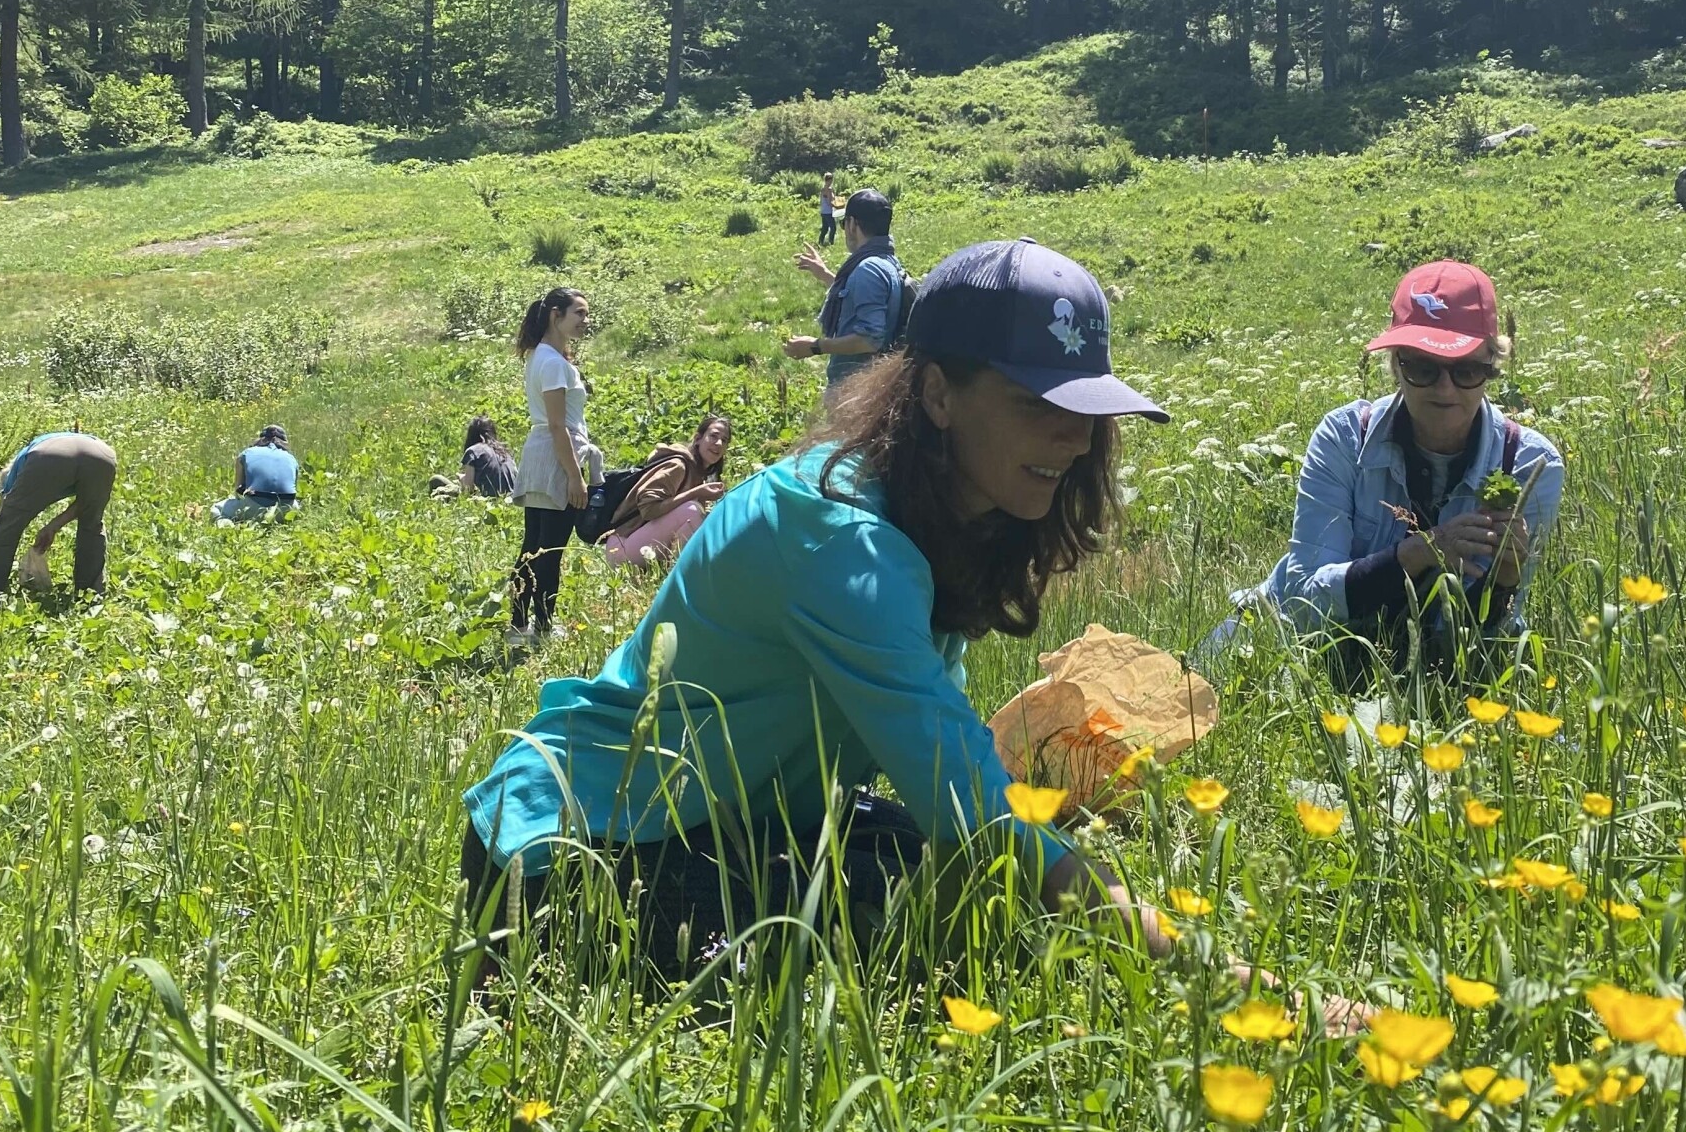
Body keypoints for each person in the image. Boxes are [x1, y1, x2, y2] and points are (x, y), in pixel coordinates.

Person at [460, 239, 1180, 988]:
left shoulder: (924, 514)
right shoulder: (841, 539)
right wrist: (1202, 965)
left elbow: (950, 767)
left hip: (729, 821)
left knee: (956, 888)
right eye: (1039, 403)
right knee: (914, 921)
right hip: (578, 845)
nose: (1074, 438)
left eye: (1088, 409)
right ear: (937, 394)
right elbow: (974, 807)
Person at [1235, 261, 1565, 692]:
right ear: (1396, 365)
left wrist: (1504, 581)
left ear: (1492, 366)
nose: (1444, 391)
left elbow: (1483, 648)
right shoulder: (1343, 439)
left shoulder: (1528, 463)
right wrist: (1421, 552)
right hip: (1279, 642)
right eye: (1423, 368)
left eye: (1465, 370)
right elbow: (1301, 604)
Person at [510, 287, 600, 650]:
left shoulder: (541, 356)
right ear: (555, 315)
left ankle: (519, 625)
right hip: (555, 457)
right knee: (550, 549)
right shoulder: (551, 363)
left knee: (533, 546)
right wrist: (576, 477)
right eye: (578, 313)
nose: (584, 321)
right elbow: (559, 424)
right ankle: (543, 628)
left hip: (540, 453)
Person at [787, 188, 906, 406]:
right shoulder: (886, 262)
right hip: (871, 387)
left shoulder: (868, 269)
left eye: (844, 225)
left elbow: (870, 339)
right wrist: (825, 275)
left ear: (852, 224)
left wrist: (816, 346)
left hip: (855, 394)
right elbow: (859, 296)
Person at [0, 431, 118, 598]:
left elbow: (4, 516)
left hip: (49, 457)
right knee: (92, 524)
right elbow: (86, 505)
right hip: (103, 455)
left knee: (6, 529)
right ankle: (90, 595)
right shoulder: (45, 444)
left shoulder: (11, 475)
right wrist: (53, 526)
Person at [602, 414, 732, 569]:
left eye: (724, 440)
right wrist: (696, 493)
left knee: (707, 518)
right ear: (698, 439)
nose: (718, 443)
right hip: (622, 546)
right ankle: (675, 577)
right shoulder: (678, 466)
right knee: (692, 511)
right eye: (713, 436)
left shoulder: (698, 474)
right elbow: (648, 509)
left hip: (642, 544)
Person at [213, 424, 299, 523]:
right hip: (286, 511)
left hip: (256, 509)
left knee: (217, 509)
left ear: (260, 439)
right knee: (295, 504)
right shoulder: (292, 459)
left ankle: (228, 528)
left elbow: (238, 491)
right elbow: (293, 491)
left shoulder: (246, 453)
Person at [460, 415, 518, 498]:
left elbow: (468, 488)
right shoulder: (505, 452)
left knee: (437, 480)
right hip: (512, 499)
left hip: (488, 500)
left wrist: (462, 479)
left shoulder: (473, 451)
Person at [818, 172, 839, 246]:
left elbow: (822, 201)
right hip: (828, 212)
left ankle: (820, 241)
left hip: (823, 211)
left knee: (825, 228)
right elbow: (830, 202)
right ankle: (831, 242)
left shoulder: (822, 189)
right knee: (833, 228)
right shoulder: (829, 190)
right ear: (830, 180)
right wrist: (838, 206)